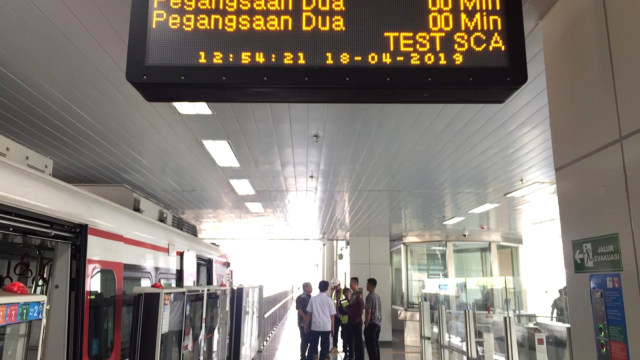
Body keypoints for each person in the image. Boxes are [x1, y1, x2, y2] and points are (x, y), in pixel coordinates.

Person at [305, 280, 336, 360]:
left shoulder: (313, 299)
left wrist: (306, 325)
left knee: (312, 346)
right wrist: (332, 328)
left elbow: (309, 314)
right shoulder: (329, 300)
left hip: (315, 327)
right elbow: (332, 316)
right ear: (327, 288)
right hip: (326, 327)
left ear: (319, 288)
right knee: (324, 347)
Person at [364, 278, 381, 360]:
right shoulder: (377, 296)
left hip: (371, 324)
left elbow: (368, 312)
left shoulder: (369, 297)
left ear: (370, 286)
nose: (366, 286)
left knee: (371, 347)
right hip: (377, 324)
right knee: (376, 345)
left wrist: (366, 323)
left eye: (367, 284)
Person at [348, 277, 365, 360]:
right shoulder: (352, 294)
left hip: (357, 320)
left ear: (355, 283)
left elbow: (362, 306)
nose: (349, 284)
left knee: (358, 339)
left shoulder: (359, 294)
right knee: (353, 339)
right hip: (352, 319)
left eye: (351, 283)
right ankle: (355, 356)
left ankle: (360, 357)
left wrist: (357, 318)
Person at [296, 282, 313, 360]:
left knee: (309, 339)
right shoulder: (302, 297)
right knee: (305, 340)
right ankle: (303, 356)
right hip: (303, 322)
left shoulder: (309, 296)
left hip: (309, 322)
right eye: (310, 286)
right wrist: (306, 318)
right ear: (305, 288)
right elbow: (299, 309)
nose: (312, 288)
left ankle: (308, 356)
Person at [329, 278, 343, 355]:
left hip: (343, 317)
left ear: (339, 285)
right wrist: (331, 294)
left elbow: (346, 303)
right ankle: (335, 347)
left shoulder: (344, 292)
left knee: (344, 334)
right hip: (336, 316)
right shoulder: (334, 293)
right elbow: (331, 302)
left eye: (336, 286)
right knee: (335, 333)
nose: (334, 288)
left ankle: (346, 349)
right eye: (333, 287)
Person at [339, 288, 352, 360]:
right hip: (344, 323)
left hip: (351, 323)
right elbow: (341, 311)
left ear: (350, 293)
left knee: (351, 339)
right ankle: (345, 354)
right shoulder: (342, 301)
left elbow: (353, 311)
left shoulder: (353, 301)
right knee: (345, 339)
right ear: (343, 294)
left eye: (348, 292)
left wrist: (346, 310)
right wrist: (348, 311)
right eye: (345, 293)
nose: (347, 294)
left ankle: (351, 354)